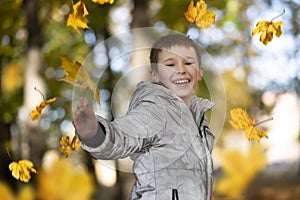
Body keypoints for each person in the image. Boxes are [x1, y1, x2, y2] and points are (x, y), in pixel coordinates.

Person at [73, 33, 215, 200]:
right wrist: (95, 134)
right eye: (170, 64)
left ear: (200, 72)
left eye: (188, 62)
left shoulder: (198, 120)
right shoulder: (155, 110)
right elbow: (125, 134)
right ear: (154, 75)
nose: (181, 70)